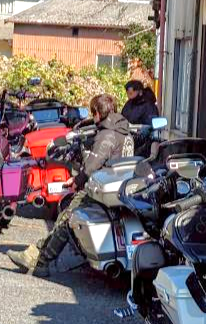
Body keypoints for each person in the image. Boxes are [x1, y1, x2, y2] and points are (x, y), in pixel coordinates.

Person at [7, 93, 132, 276]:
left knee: (66, 219)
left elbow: (91, 167)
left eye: (93, 112)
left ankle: (40, 261)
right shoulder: (125, 131)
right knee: (67, 220)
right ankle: (36, 256)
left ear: (98, 113)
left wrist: (76, 181)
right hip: (119, 190)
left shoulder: (107, 136)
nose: (93, 117)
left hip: (99, 189)